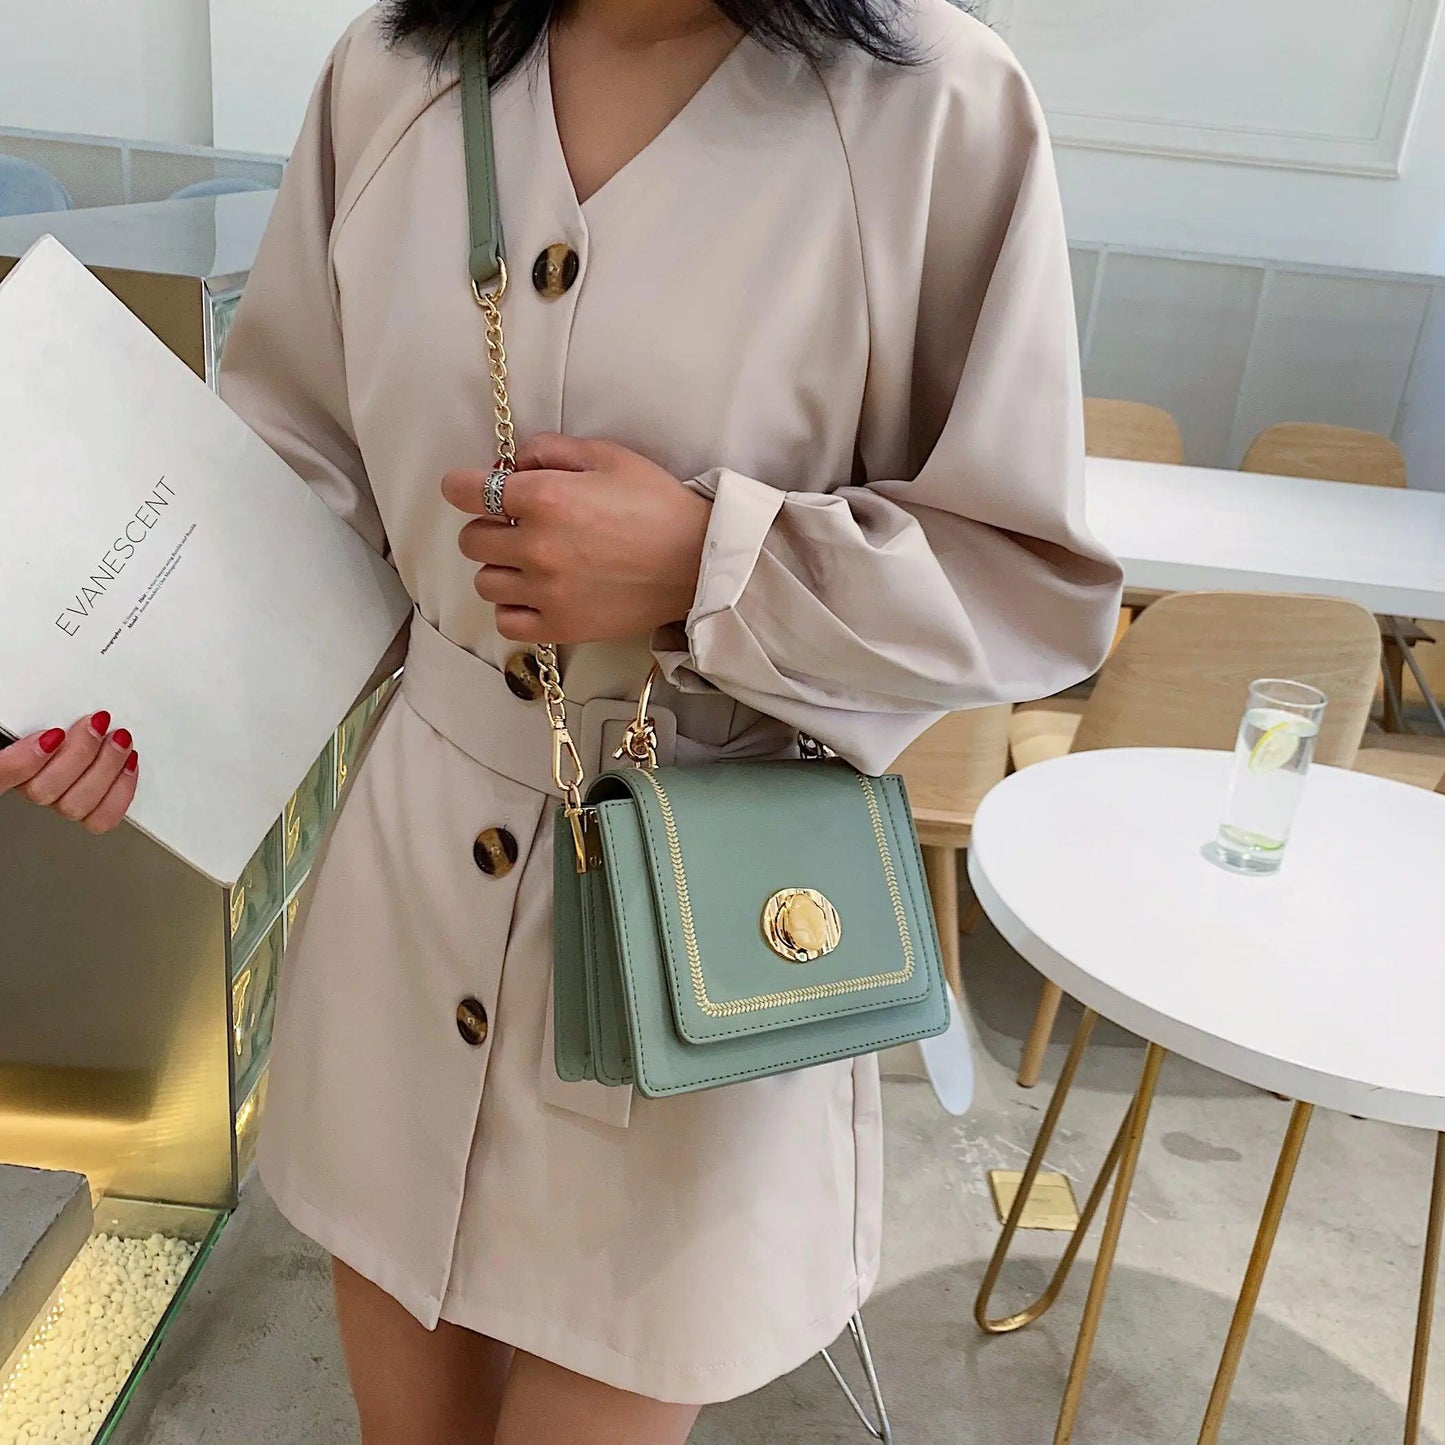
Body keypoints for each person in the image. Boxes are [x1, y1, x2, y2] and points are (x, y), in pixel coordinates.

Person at [1, 0, 1123, 1438]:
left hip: (697, 929)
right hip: (412, 900)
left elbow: (1024, 582)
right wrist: (124, 685)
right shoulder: (393, 75)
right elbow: (296, 469)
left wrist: (711, 563)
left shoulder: (932, 107)